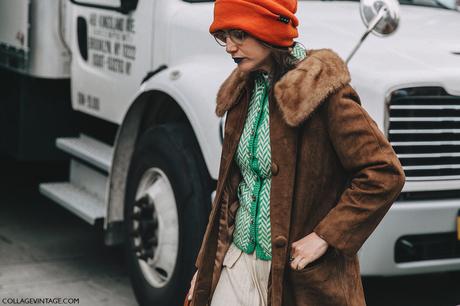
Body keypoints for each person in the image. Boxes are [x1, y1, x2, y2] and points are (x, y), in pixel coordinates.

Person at [187, 0, 406, 305]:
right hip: (236, 264)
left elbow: (384, 172)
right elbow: (229, 194)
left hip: (298, 278)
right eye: (223, 35)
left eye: (238, 34)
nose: (229, 47)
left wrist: (325, 236)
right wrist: (207, 268)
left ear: (268, 29)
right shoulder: (241, 91)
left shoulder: (323, 91)